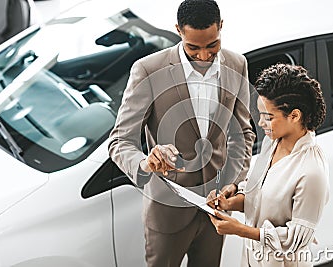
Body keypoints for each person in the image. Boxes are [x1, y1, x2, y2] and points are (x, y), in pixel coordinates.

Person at [108, 0, 255, 266]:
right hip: (167, 213)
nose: (203, 56)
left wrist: (232, 183)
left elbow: (243, 133)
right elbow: (120, 140)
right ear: (178, 30)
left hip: (215, 210)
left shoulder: (237, 64)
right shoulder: (148, 70)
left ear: (221, 27)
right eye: (193, 48)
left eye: (212, 45)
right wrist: (145, 162)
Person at [208, 63, 330, 267]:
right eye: (260, 115)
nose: (261, 123)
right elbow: (258, 194)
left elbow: (297, 239)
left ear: (294, 116)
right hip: (253, 259)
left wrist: (240, 230)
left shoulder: (311, 172)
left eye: (269, 117)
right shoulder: (272, 142)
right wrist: (233, 200)